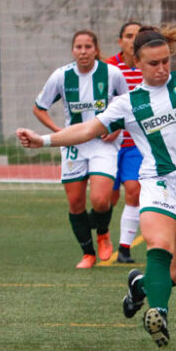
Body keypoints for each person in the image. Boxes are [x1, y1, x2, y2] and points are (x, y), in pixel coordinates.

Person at [18, 23, 176, 347]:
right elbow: (88, 129)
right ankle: (158, 313)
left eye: (165, 61)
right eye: (153, 63)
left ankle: (141, 286)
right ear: (137, 64)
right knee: (159, 245)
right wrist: (44, 140)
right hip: (158, 181)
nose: (162, 69)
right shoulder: (129, 104)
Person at [33, 29, 129, 269]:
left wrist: (116, 130)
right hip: (73, 144)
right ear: (73, 50)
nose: (83, 52)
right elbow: (39, 107)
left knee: (100, 199)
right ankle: (88, 254)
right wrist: (58, 132)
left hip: (103, 144)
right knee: (75, 202)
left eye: (88, 47)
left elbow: (129, 105)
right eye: (79, 47)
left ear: (96, 49)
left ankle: (103, 232)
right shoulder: (61, 76)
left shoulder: (112, 73)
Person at [105, 21, 144, 263]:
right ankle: (103, 236)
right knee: (107, 198)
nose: (133, 40)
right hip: (108, 143)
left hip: (135, 144)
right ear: (120, 41)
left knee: (134, 190)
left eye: (137, 36)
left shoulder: (148, 67)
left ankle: (125, 248)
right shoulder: (108, 68)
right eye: (128, 36)